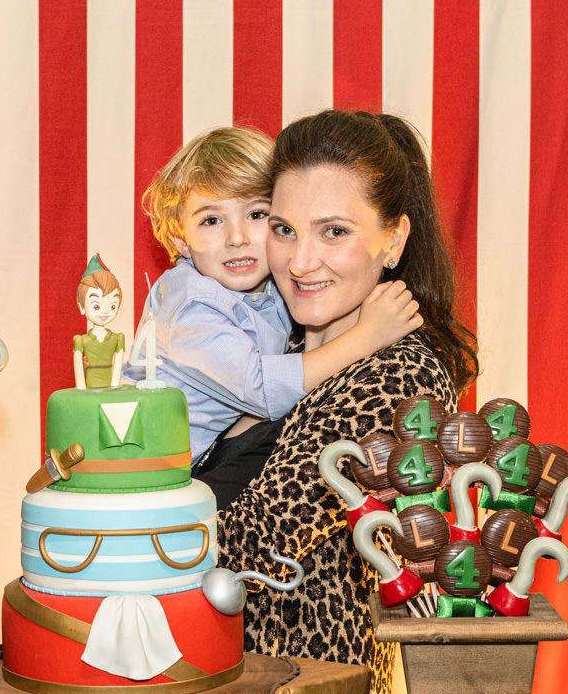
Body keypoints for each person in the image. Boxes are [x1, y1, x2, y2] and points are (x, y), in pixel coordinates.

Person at [213, 110, 478, 694]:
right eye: (284, 229)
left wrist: (118, 534)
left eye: (333, 231)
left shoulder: (400, 375)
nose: (301, 261)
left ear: (394, 240)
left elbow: (256, 543)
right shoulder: (271, 353)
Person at [123, 126, 420, 464]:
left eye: (256, 215)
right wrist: (367, 336)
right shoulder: (191, 306)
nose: (236, 238)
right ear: (180, 239)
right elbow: (262, 389)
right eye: (211, 220)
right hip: (135, 470)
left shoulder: (273, 286)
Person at [73, 255, 125, 389]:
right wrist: (81, 389)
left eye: (112, 306)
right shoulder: (81, 340)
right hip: (90, 390)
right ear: (81, 306)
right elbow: (79, 375)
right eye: (96, 306)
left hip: (110, 391)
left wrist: (114, 386)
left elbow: (117, 369)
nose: (105, 312)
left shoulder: (117, 339)